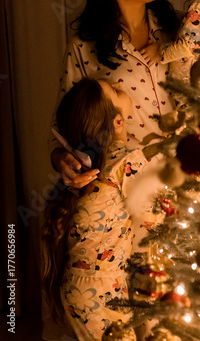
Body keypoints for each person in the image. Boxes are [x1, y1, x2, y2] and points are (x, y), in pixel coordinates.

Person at [50, 0, 179, 189]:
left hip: (191, 180)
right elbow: (62, 129)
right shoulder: (84, 47)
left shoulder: (178, 29)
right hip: (131, 193)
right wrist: (62, 160)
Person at [42, 78, 164, 341]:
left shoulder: (93, 160)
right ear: (118, 122)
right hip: (100, 291)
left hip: (89, 287)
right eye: (117, 91)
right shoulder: (128, 158)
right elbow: (153, 215)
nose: (122, 86)